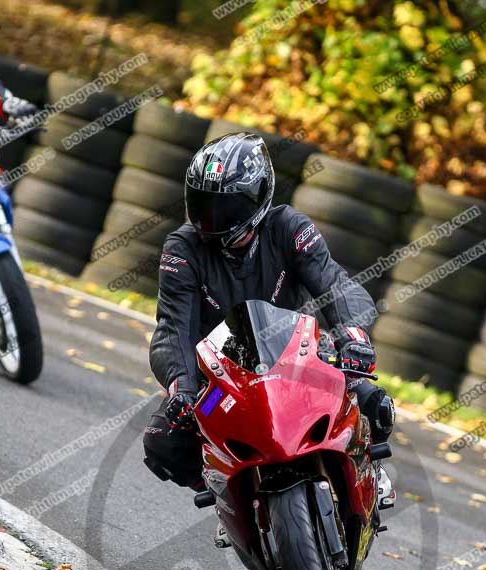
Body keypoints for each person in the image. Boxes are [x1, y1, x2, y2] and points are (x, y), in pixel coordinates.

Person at [144, 133, 395, 519]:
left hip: (302, 357)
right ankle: (228, 496)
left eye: (225, 205)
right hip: (222, 378)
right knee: (162, 441)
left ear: (257, 195)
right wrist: (182, 388)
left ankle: (369, 474)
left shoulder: (288, 225)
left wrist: (354, 337)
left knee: (374, 403)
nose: (212, 216)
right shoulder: (182, 249)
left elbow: (334, 283)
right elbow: (172, 329)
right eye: (203, 202)